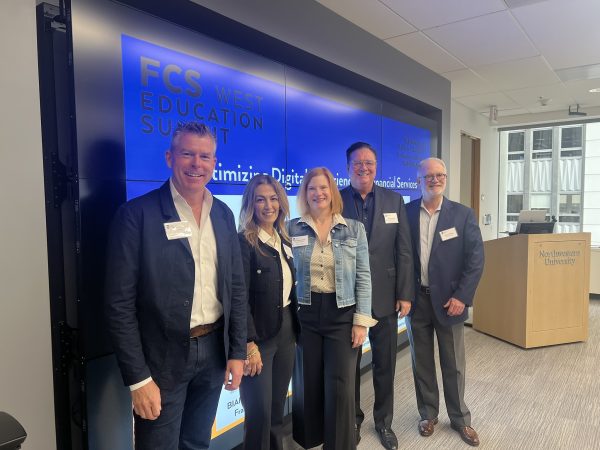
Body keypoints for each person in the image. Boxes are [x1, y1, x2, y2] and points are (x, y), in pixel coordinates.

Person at [104, 122, 246, 450]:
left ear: (214, 163)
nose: (197, 164)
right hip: (161, 359)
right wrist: (138, 379)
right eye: (187, 154)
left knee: (196, 443)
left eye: (205, 156)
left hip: (214, 351)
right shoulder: (136, 215)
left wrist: (237, 351)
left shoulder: (223, 214)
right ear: (170, 158)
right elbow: (118, 304)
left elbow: (236, 288)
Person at [289, 167, 376, 450]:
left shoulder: (353, 228)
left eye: (323, 187)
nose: (318, 193)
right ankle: (313, 441)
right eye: (312, 188)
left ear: (332, 192)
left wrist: (361, 320)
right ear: (305, 193)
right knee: (308, 383)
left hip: (342, 313)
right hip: (305, 314)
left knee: (340, 385)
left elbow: (363, 276)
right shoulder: (291, 228)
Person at [405, 157, 484, 447]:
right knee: (422, 362)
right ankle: (428, 414)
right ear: (418, 180)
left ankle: (460, 418)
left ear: (446, 179)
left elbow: (476, 260)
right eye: (429, 176)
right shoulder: (406, 212)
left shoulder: (462, 215)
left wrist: (462, 296)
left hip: (450, 302)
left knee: (454, 364)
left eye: (440, 175)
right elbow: (401, 256)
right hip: (416, 301)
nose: (435, 180)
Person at [340, 142, 413, 449]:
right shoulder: (336, 200)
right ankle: (353, 421)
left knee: (385, 365)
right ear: (348, 167)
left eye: (369, 162)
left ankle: (384, 423)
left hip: (385, 296)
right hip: (347, 299)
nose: (364, 168)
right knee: (349, 368)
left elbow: (404, 250)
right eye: (357, 163)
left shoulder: (394, 200)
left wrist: (405, 293)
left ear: (376, 166)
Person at [237, 175, 300, 450]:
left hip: (286, 331)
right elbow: (238, 298)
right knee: (259, 413)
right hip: (257, 338)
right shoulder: (244, 242)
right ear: (251, 204)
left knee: (276, 409)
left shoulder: (284, 238)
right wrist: (248, 343)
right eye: (260, 199)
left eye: (273, 199)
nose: (268, 205)